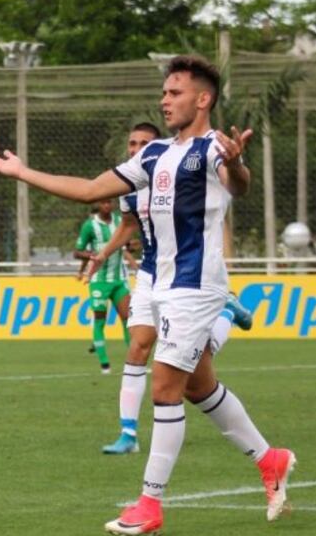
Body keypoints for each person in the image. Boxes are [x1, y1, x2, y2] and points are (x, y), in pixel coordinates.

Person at [0, 55, 295, 534]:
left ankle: (149, 505)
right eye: (164, 92)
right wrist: (22, 172)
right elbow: (90, 189)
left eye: (175, 93)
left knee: (166, 387)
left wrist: (237, 165)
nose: (164, 100)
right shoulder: (154, 155)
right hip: (157, 283)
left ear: (203, 99)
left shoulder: (214, 148)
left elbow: (239, 185)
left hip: (195, 287)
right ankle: (269, 459)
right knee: (196, 387)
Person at [89, 122, 253, 456]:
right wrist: (103, 253)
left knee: (190, 366)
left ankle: (224, 312)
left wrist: (234, 165)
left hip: (189, 275)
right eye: (132, 143)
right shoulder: (130, 185)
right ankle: (128, 433)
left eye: (144, 143)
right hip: (150, 272)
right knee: (138, 345)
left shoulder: (181, 174)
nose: (136, 150)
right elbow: (128, 225)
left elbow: (227, 195)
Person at [74, 199, 133, 374]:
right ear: (98, 205)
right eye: (103, 203)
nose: (107, 206)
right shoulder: (90, 226)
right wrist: (89, 255)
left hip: (119, 280)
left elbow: (126, 243)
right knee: (100, 321)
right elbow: (77, 252)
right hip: (99, 280)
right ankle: (104, 364)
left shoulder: (120, 221)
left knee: (128, 319)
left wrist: (131, 246)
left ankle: (135, 363)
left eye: (109, 203)